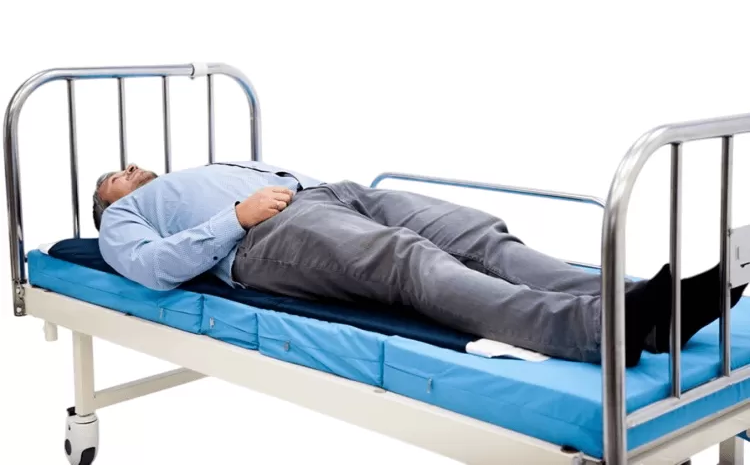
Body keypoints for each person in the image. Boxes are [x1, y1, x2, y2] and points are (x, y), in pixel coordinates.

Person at [93, 161, 745, 367]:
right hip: (264, 238)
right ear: (106, 206)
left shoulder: (191, 168)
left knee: (480, 237)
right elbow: (153, 269)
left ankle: (649, 307)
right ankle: (600, 331)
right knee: (408, 262)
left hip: (332, 193)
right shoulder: (124, 222)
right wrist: (236, 217)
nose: (130, 169)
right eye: (114, 177)